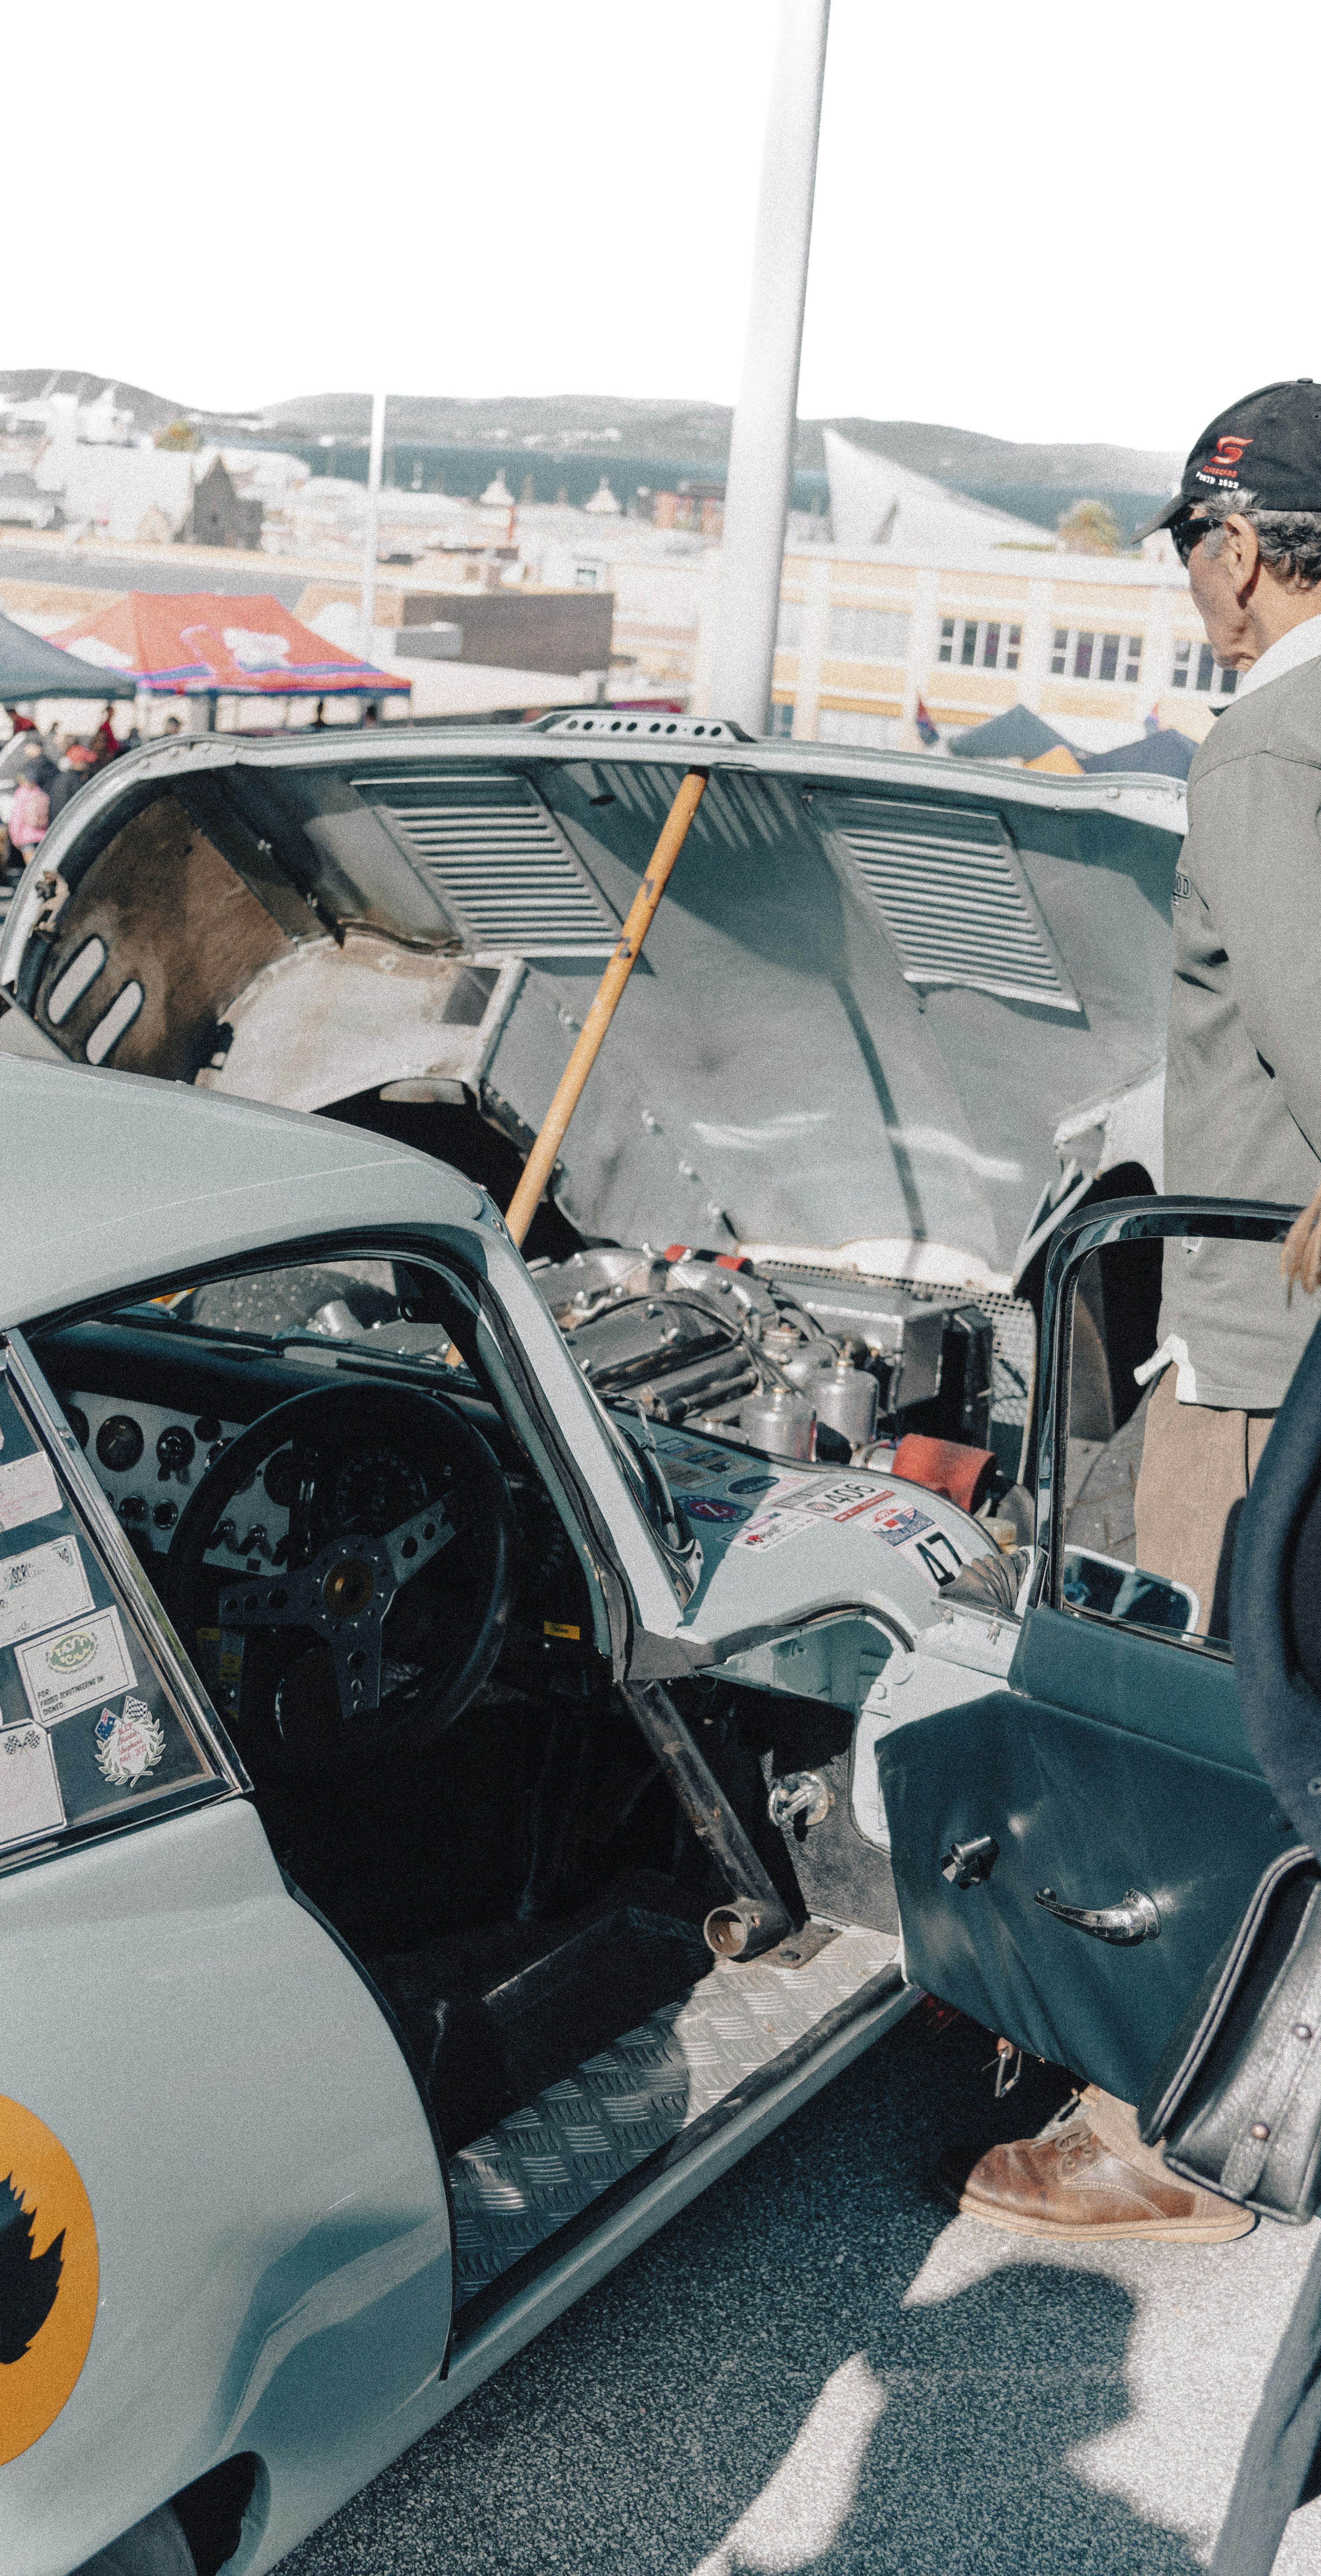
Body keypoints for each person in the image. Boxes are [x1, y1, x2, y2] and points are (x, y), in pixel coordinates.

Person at [956, 379, 1321, 2248]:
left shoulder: (1265, 747)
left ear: (1241, 551)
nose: (1190, 579)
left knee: (1199, 1723)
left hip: (1255, 1347)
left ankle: (1157, 2131)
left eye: (1190, 545)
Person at [45, 738, 96, 824]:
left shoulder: (63, 777)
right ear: (78, 762)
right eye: (85, 761)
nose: (88, 765)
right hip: (67, 824)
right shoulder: (74, 780)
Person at [5, 772, 49, 868]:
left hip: (27, 838)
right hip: (43, 836)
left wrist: (15, 839)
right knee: (45, 866)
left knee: (32, 869)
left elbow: (17, 819)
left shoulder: (21, 795)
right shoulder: (41, 792)